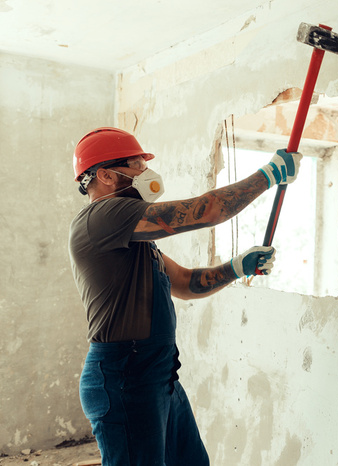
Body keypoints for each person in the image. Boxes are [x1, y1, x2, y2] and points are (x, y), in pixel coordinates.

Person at [68, 127, 302, 465]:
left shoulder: (135, 242)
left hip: (158, 376)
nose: (145, 173)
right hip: (125, 380)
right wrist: (268, 176)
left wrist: (238, 266)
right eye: (136, 165)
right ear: (105, 175)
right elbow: (207, 210)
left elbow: (187, 282)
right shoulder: (102, 216)